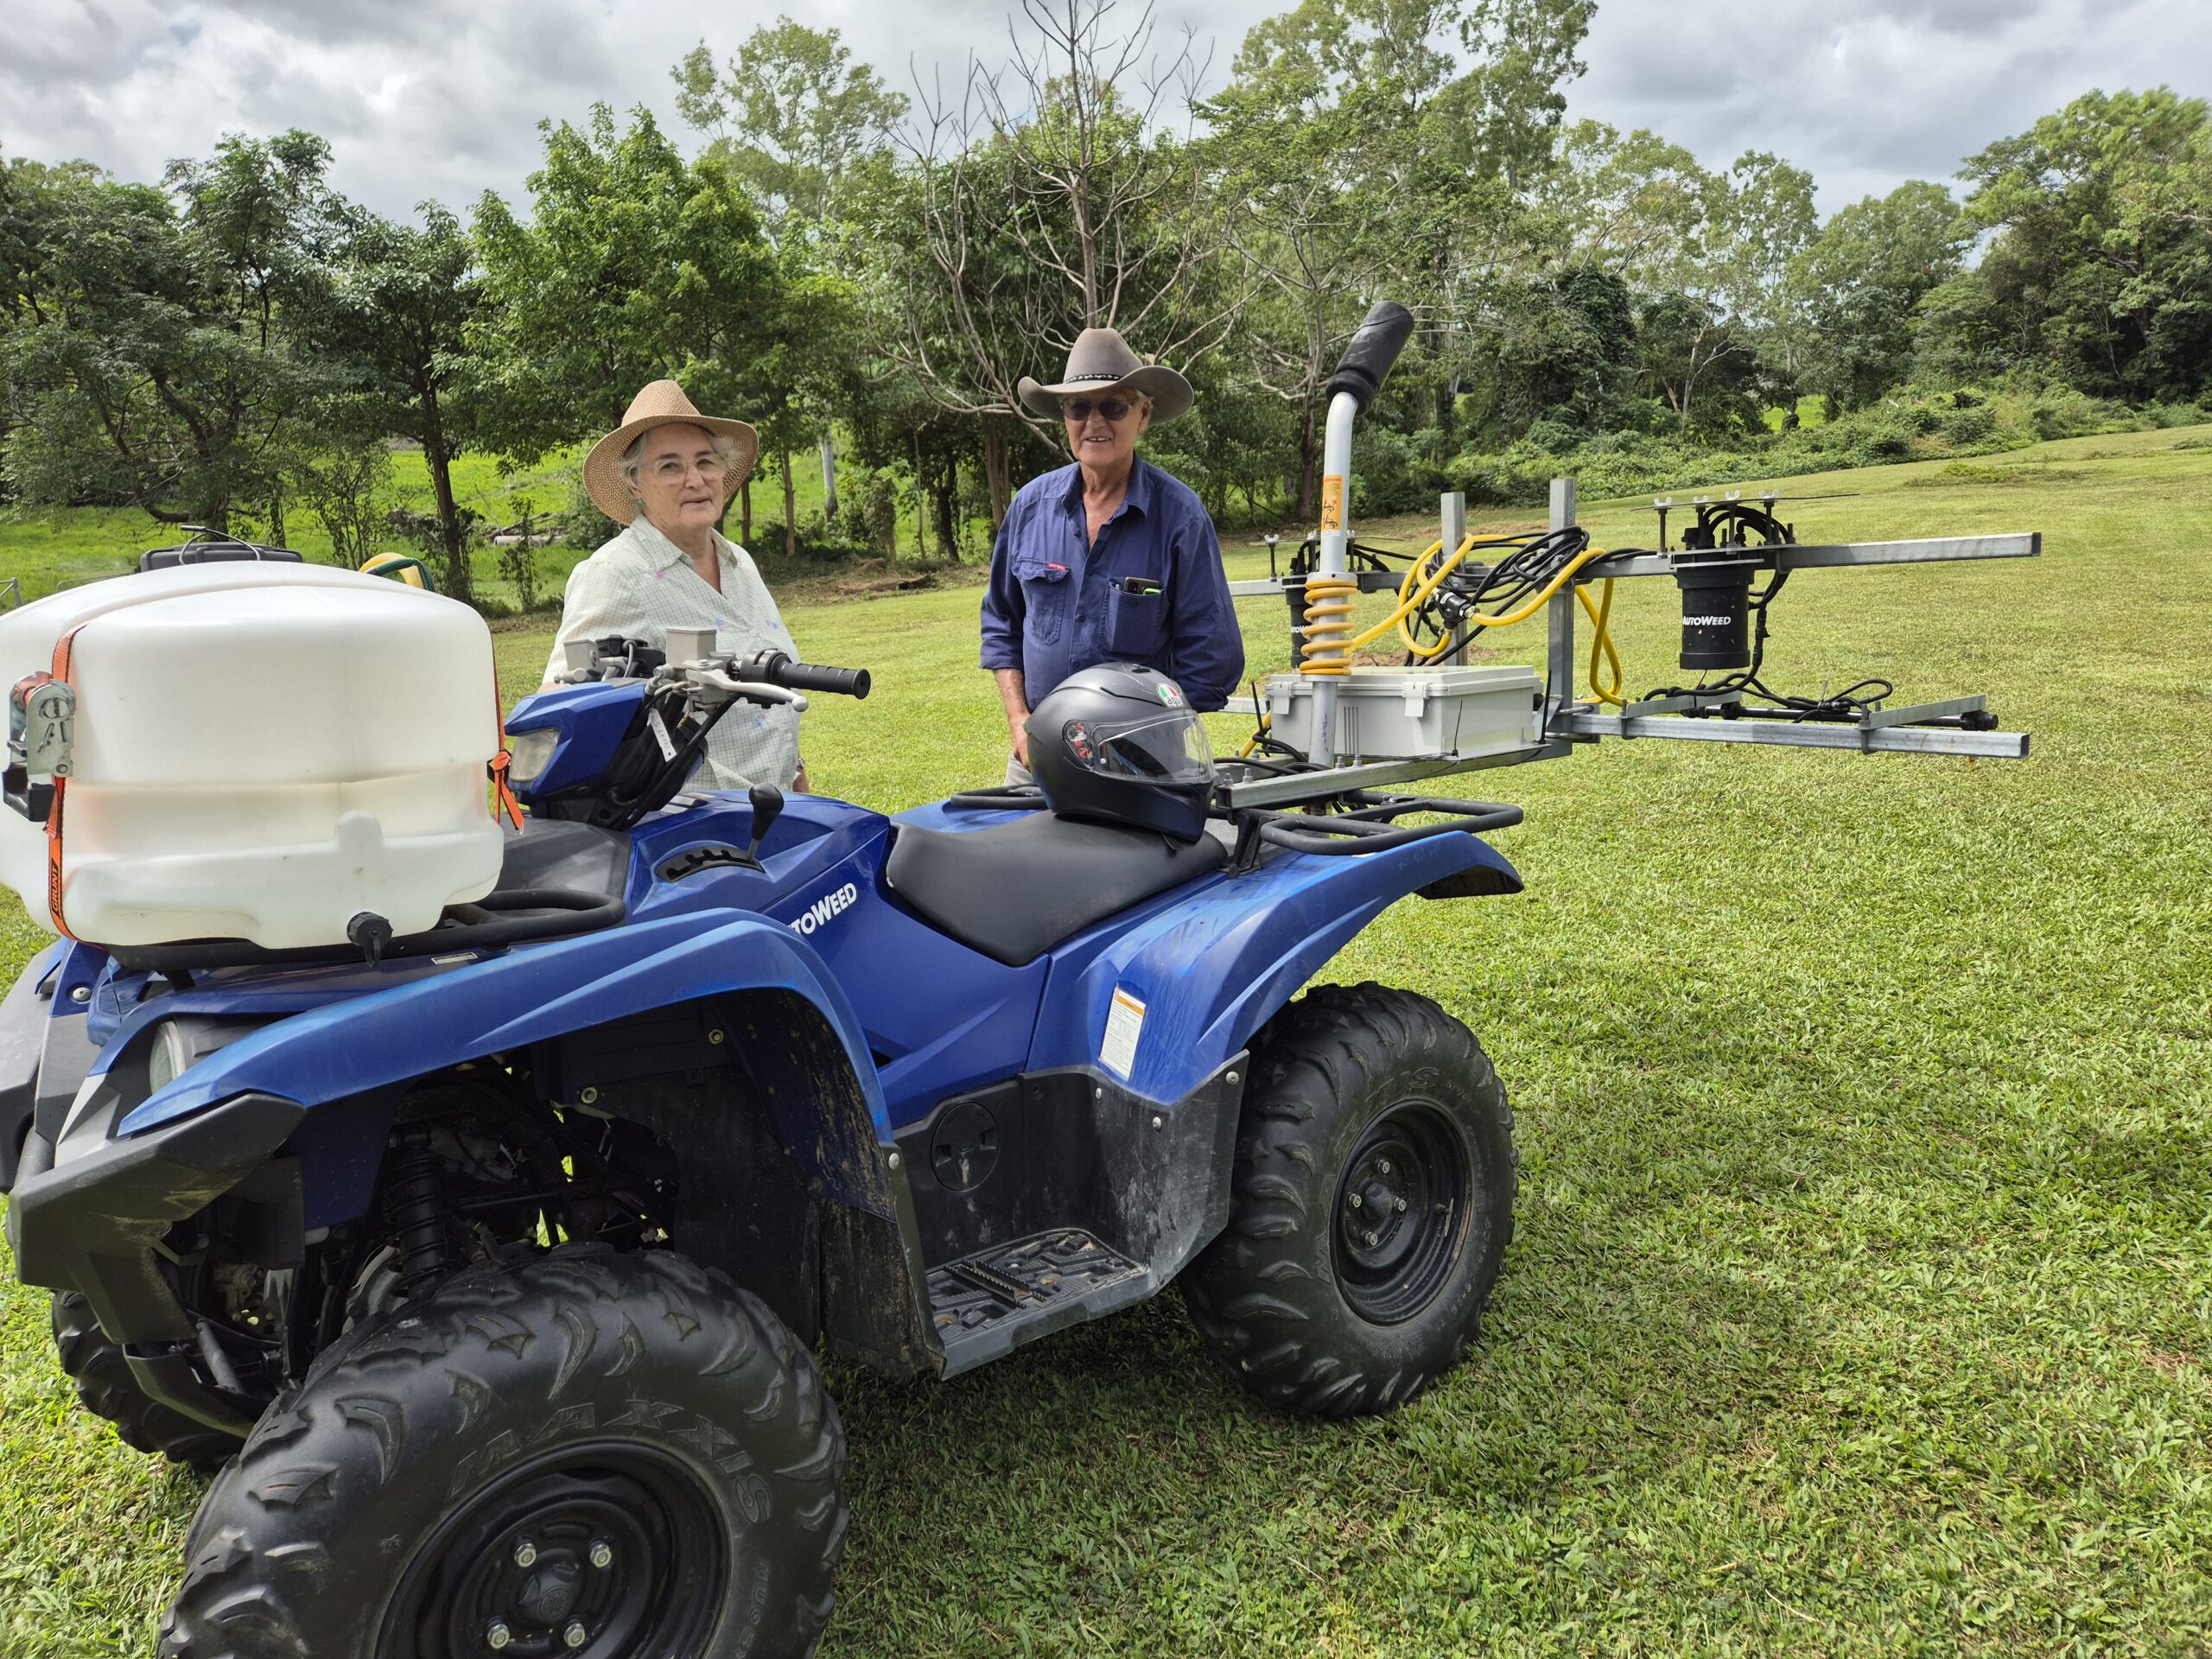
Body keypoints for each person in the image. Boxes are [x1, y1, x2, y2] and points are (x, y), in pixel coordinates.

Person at [980, 328, 1242, 785]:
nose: (1094, 422)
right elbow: (1001, 623)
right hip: (1037, 756)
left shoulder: (1180, 517)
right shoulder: (1029, 508)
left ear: (1143, 415)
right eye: (1079, 407)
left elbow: (1212, 656)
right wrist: (1019, 719)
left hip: (1143, 764)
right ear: (1065, 417)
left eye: (1113, 406)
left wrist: (1146, 731)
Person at [545, 380, 810, 792]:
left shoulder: (739, 563)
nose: (695, 479)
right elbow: (559, 704)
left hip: (774, 815)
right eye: (670, 466)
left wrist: (796, 782)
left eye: (705, 461)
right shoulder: (615, 573)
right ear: (634, 483)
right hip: (689, 835)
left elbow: (768, 702)